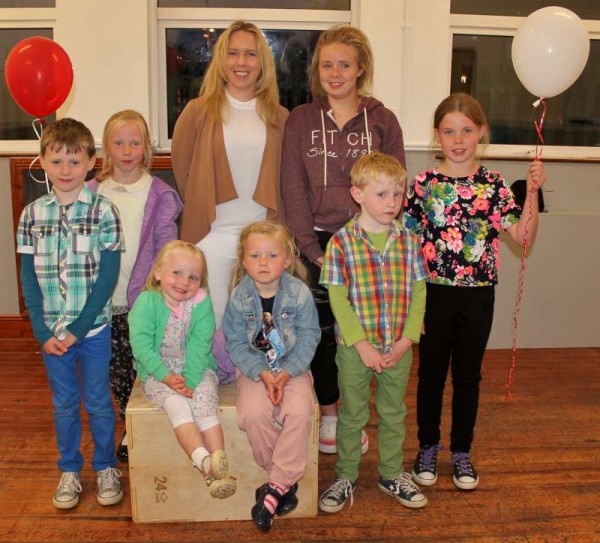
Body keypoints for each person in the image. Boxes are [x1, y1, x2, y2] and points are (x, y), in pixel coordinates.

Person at [402, 93, 547, 491]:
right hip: (432, 294)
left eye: (466, 130)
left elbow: (523, 237)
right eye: (449, 131)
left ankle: (461, 452)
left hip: (479, 295)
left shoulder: (495, 184)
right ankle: (427, 446)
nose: (458, 139)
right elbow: (406, 243)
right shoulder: (423, 184)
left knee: (468, 376)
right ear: (437, 135)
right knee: (430, 374)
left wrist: (532, 191)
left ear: (481, 132)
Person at [281, 24, 406, 454]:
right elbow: (292, 187)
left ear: (360, 69)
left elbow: (395, 186)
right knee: (317, 334)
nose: (335, 73)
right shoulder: (300, 120)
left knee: (363, 334)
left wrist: (378, 242)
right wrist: (311, 250)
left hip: (368, 245)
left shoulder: (383, 121)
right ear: (318, 70)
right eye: (327, 64)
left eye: (345, 65)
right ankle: (331, 414)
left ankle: (358, 415)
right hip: (315, 244)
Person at [16, 118, 124, 509]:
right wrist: (42, 331)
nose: (66, 170)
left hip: (91, 331)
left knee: (97, 400)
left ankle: (106, 466)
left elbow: (107, 276)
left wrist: (78, 328)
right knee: (63, 403)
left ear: (92, 163)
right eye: (57, 161)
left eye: (75, 162)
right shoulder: (31, 215)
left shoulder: (104, 212)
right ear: (42, 161)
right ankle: (69, 470)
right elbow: (28, 277)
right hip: (51, 336)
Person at [318, 152, 429, 513]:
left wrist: (406, 340)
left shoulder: (409, 242)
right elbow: (337, 297)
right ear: (357, 194)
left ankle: (391, 473)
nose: (391, 203)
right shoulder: (341, 243)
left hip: (398, 346)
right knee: (352, 415)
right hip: (355, 350)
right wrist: (362, 344)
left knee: (394, 413)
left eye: (397, 194)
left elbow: (419, 293)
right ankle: (346, 475)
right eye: (381, 194)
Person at [172, 20, 289, 332]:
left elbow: (287, 179)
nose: (241, 63)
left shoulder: (279, 117)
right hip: (213, 235)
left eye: (250, 54)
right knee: (212, 324)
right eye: (233, 54)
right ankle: (212, 380)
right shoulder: (197, 111)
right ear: (221, 61)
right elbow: (183, 170)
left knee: (260, 325)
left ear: (262, 62)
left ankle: (253, 381)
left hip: (264, 238)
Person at [88, 109, 183, 462]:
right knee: (115, 370)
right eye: (118, 142)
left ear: (146, 148)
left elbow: (166, 246)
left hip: (141, 301)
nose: (126, 150)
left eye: (134, 142)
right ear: (106, 149)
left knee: (146, 364)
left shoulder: (160, 193)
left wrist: (162, 293)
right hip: (101, 303)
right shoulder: (92, 191)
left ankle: (147, 423)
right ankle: (129, 423)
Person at [222, 221, 320, 532]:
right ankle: (283, 484)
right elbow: (236, 342)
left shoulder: (299, 293)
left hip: (294, 367)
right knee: (252, 414)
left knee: (299, 411)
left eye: (271, 255)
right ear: (243, 260)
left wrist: (288, 372)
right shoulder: (240, 297)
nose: (263, 263)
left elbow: (309, 336)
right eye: (255, 256)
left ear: (288, 259)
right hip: (254, 368)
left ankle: (273, 488)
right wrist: (262, 373)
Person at [128, 241, 236, 499]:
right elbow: (142, 347)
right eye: (176, 273)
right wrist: (167, 377)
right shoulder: (147, 302)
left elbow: (201, 345)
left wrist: (190, 379)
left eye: (193, 277)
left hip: (194, 368)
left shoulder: (201, 303)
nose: (184, 282)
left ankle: (220, 465)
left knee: (205, 402)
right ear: (158, 273)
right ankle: (205, 465)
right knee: (177, 405)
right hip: (157, 371)